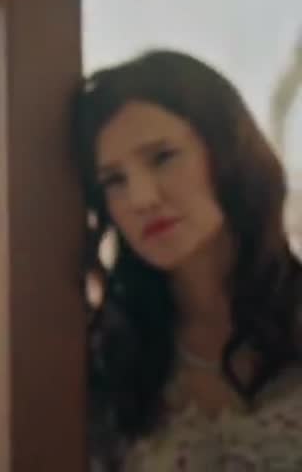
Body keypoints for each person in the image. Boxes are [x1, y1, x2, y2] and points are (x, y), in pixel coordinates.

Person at [75, 50, 302, 470]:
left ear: (227, 151)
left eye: (163, 157)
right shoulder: (110, 359)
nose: (142, 198)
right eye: (114, 180)